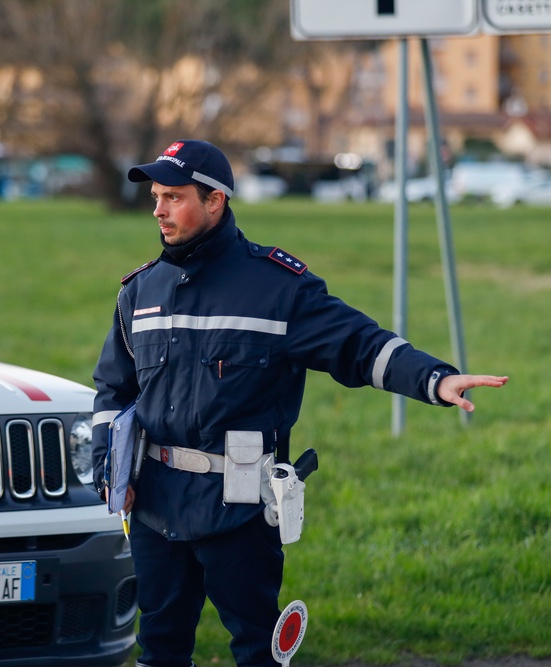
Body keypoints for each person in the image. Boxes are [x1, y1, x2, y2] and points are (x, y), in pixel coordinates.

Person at [91, 140, 508, 667]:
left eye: (173, 197)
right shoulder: (139, 291)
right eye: (156, 197)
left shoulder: (277, 288)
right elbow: (114, 391)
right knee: (159, 652)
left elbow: (359, 344)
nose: (158, 210)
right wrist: (111, 469)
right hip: (156, 508)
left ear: (215, 200)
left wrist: (434, 379)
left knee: (259, 655)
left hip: (238, 508)